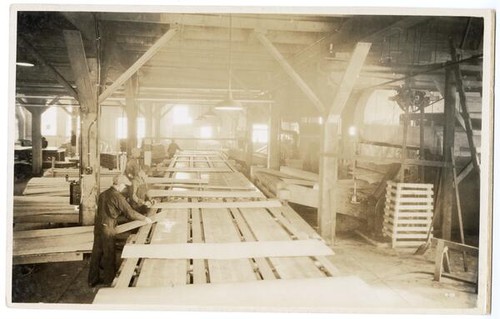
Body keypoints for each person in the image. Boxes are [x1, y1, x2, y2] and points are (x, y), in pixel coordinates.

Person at [88, 174, 153, 288]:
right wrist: (145, 219)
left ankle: (92, 280)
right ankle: (109, 280)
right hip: (108, 227)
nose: (124, 188)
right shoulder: (117, 196)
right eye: (124, 186)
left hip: (98, 226)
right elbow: (130, 213)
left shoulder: (103, 194)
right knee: (109, 253)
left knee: (96, 253)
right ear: (121, 185)